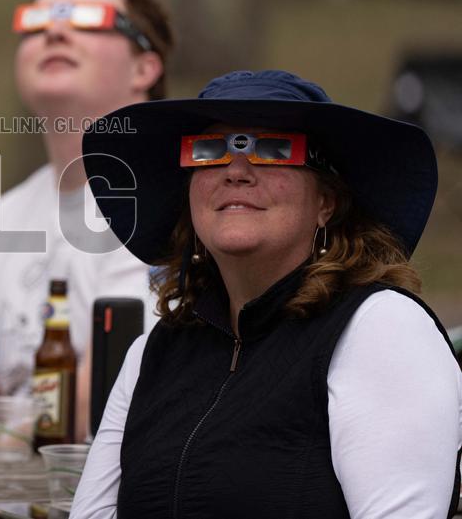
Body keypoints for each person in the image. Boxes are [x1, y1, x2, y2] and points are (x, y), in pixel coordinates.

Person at [71, 69, 462, 517]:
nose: (236, 169)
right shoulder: (153, 353)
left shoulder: (381, 331)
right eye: (210, 151)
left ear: (326, 202)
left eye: (274, 150)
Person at [0, 0, 174, 441]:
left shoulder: (176, 204)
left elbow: (100, 400)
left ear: (145, 66)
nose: (55, 32)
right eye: (37, 20)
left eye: (86, 19)